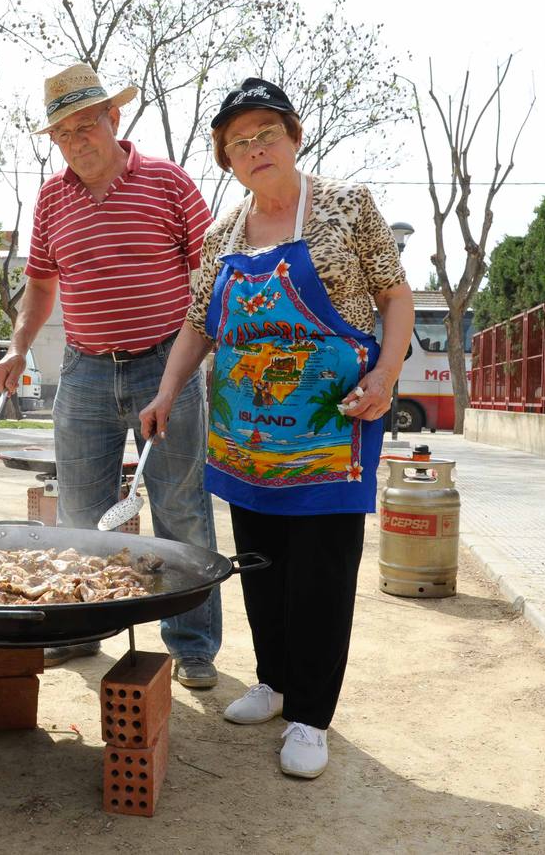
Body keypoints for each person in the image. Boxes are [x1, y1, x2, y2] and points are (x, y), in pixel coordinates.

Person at [140, 78, 414, 779]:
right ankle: (272, 680)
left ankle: (311, 715)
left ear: (294, 137)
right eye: (239, 141)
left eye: (266, 133)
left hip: (330, 427)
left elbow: (394, 294)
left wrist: (385, 376)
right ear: (226, 159)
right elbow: (200, 325)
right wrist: (168, 391)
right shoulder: (221, 234)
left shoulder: (348, 207)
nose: (255, 148)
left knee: (320, 570)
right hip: (246, 433)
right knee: (260, 564)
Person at [0, 62, 222, 688]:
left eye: (86, 124)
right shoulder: (51, 198)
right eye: (63, 132)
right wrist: (18, 347)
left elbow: (209, 284)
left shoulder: (171, 184)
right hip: (85, 371)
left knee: (181, 506)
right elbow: (41, 285)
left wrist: (184, 374)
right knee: (79, 508)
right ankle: (83, 627)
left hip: (164, 365)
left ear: (113, 119)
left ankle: (194, 644)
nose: (77, 140)